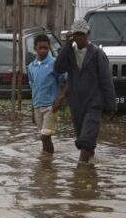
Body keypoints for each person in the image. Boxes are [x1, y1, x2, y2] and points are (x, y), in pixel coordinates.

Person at [53, 18, 117, 163]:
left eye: (82, 34)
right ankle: (90, 167)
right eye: (76, 35)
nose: (79, 38)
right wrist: (67, 46)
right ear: (72, 36)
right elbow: (57, 68)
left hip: (94, 103)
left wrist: (111, 106)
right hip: (76, 103)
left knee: (87, 138)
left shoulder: (97, 54)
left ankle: (81, 170)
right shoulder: (69, 53)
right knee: (83, 137)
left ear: (88, 34)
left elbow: (106, 81)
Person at [27, 34, 69, 154]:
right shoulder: (31, 67)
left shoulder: (55, 63)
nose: (43, 51)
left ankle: (48, 163)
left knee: (46, 136)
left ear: (49, 47)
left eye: (46, 48)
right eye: (40, 48)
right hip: (37, 106)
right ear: (35, 48)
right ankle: (46, 162)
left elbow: (66, 81)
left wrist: (60, 99)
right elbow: (32, 88)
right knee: (43, 137)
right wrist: (32, 109)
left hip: (51, 106)